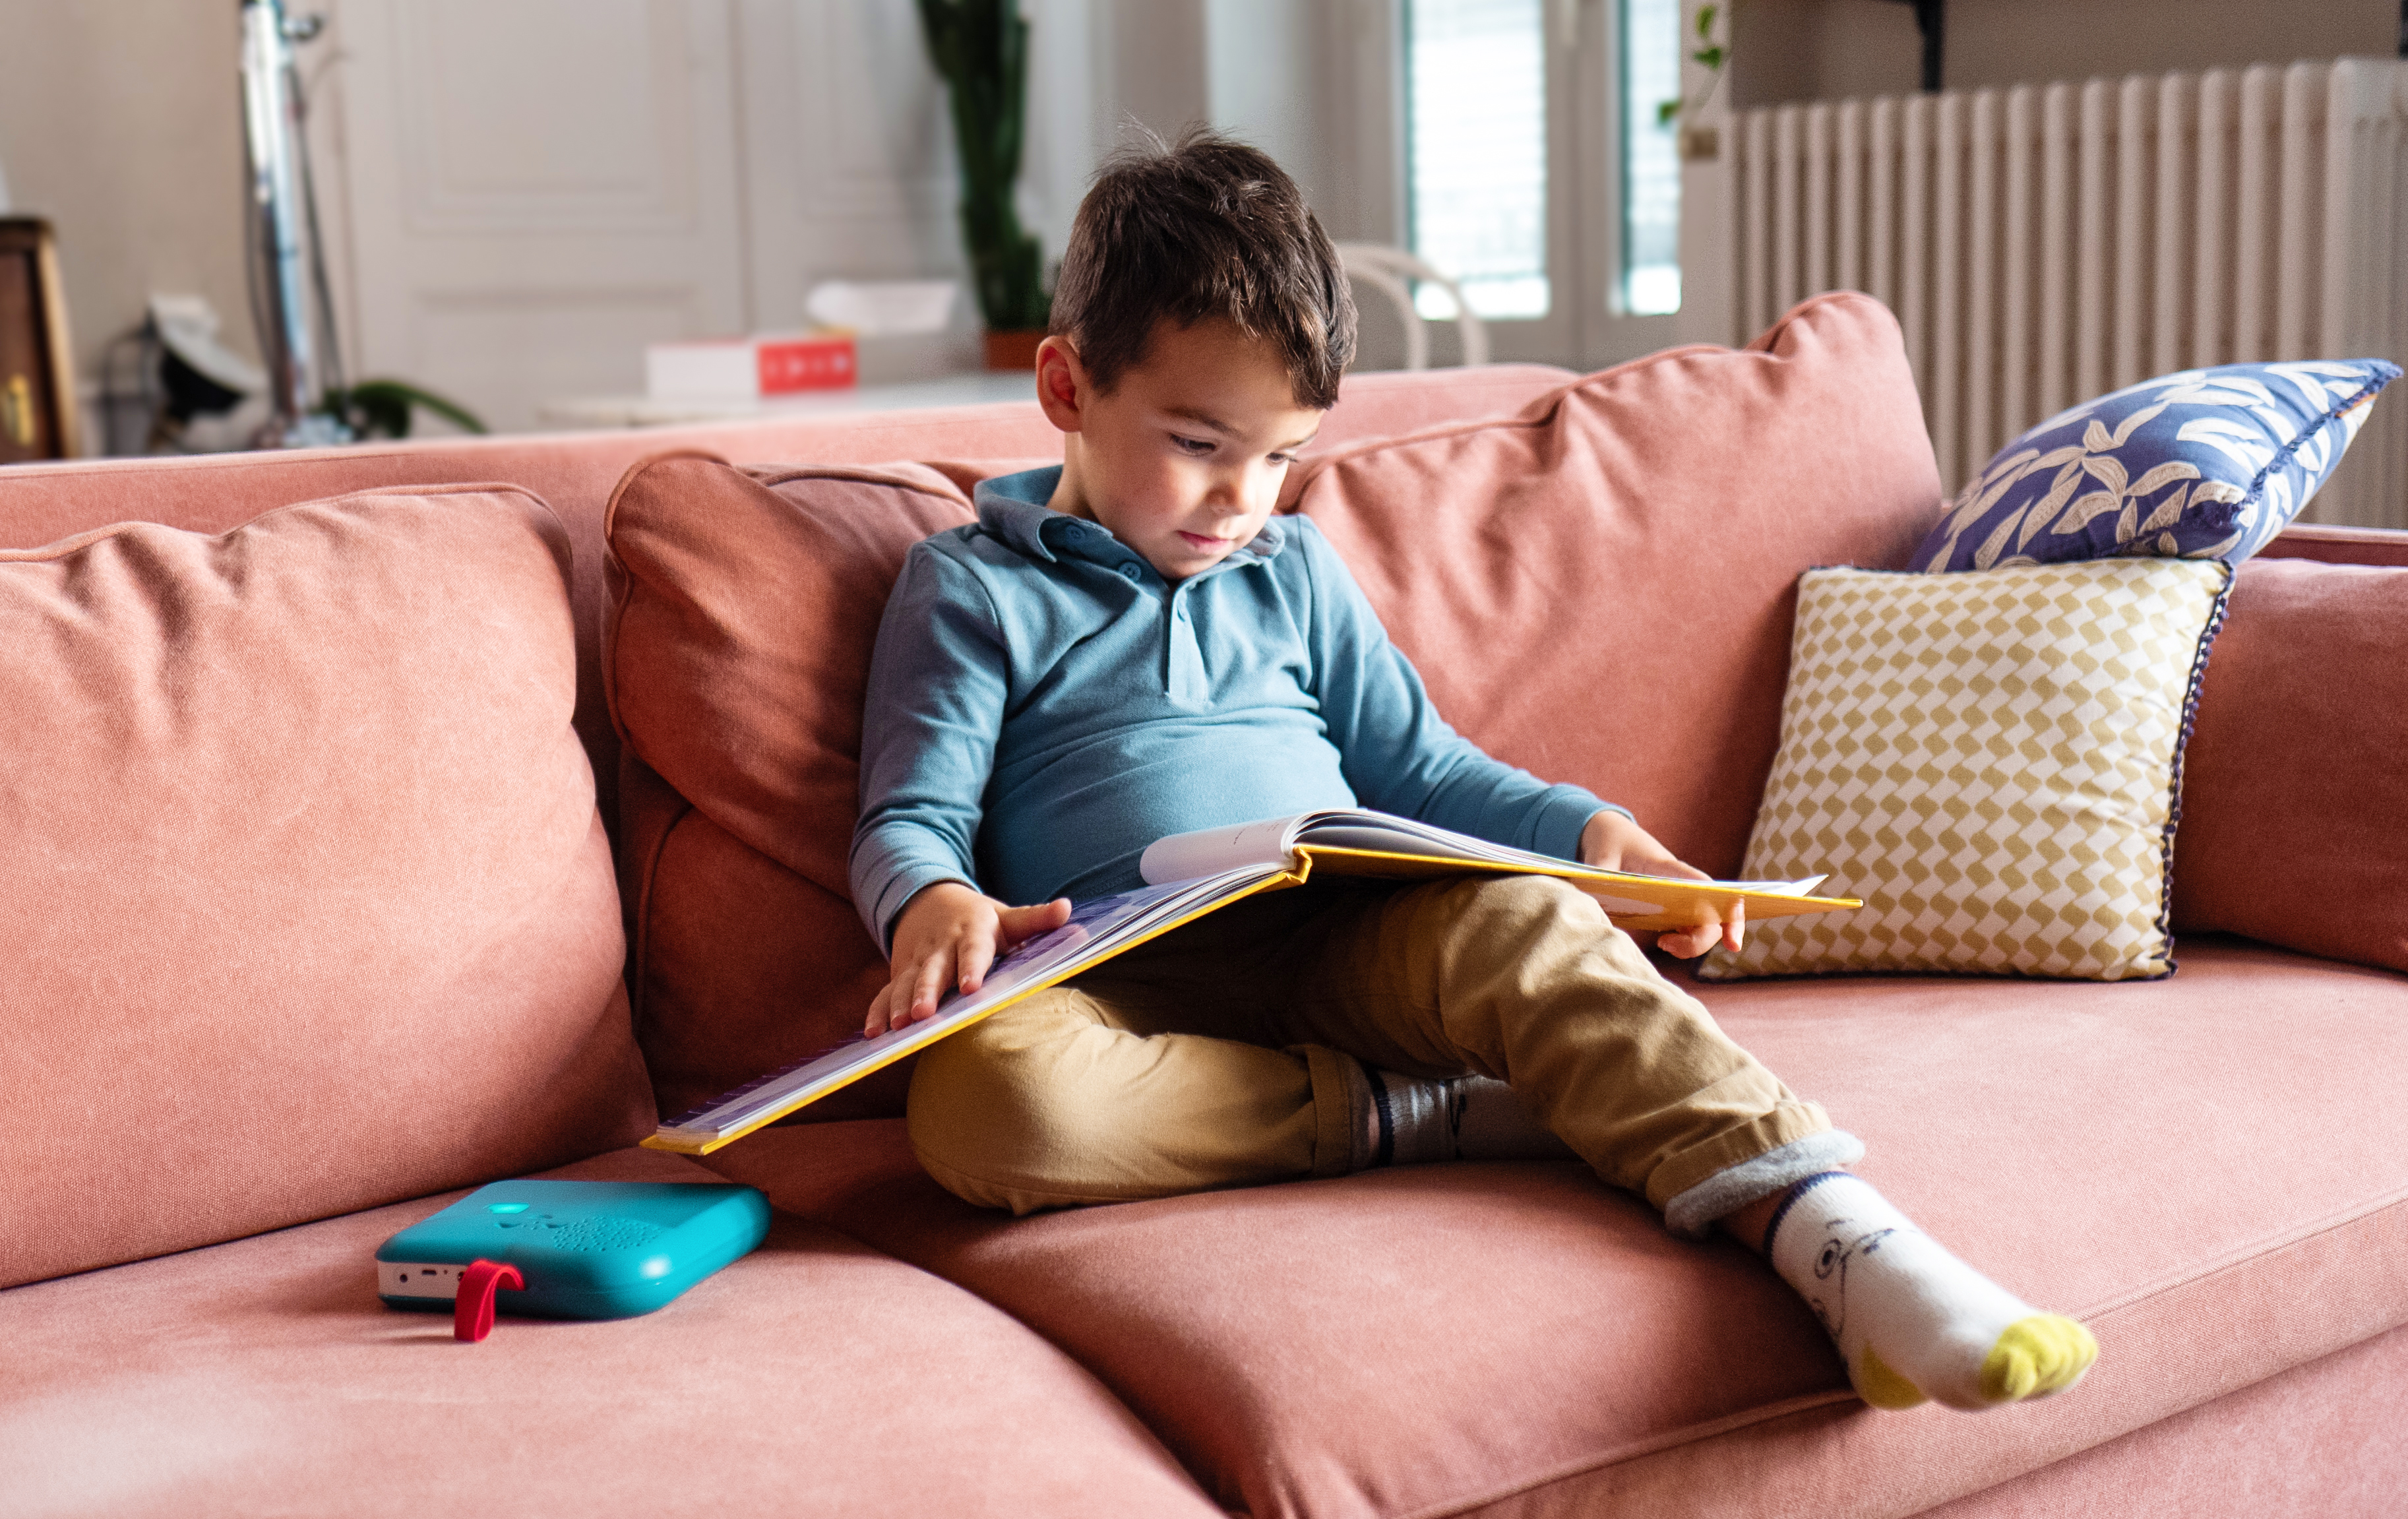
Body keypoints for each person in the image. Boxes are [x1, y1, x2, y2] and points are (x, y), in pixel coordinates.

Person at [849, 130, 2095, 1412]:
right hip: (1118, 983)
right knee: (985, 1105)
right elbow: (911, 813)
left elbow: (1420, 767)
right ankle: (1424, 1112)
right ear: (1066, 386)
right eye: (1197, 441)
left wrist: (1593, 833)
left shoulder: (1289, 571)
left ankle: (1840, 1237)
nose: (1239, 498)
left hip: (1337, 939)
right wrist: (930, 899)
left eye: (1278, 457)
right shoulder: (972, 586)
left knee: (1531, 921)